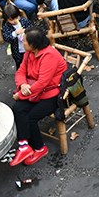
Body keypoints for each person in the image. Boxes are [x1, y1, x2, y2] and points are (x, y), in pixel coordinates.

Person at [9, 29, 68, 166]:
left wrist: (21, 94)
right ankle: (24, 146)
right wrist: (22, 84)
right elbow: (21, 71)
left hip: (51, 95)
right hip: (33, 91)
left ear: (33, 44)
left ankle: (40, 148)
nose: (22, 42)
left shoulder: (49, 56)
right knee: (17, 109)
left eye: (24, 41)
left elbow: (42, 83)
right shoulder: (29, 54)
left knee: (31, 117)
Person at [1, 3, 33, 69]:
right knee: (20, 65)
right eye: (11, 20)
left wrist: (27, 31)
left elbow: (32, 28)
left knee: (31, 62)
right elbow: (6, 37)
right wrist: (15, 33)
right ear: (6, 19)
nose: (15, 20)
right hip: (18, 50)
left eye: (16, 17)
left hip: (28, 48)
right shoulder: (7, 26)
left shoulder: (24, 21)